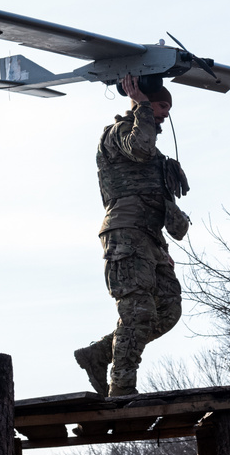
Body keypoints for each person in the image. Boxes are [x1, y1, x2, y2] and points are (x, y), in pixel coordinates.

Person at [74, 73, 190, 397]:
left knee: (168, 309)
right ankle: (122, 386)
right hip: (125, 235)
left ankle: (98, 355)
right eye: (159, 106)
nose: (164, 113)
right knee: (137, 312)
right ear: (140, 100)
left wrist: (171, 231)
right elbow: (137, 148)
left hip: (150, 240)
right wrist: (140, 105)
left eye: (167, 108)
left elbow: (162, 200)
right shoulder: (118, 134)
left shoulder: (157, 159)